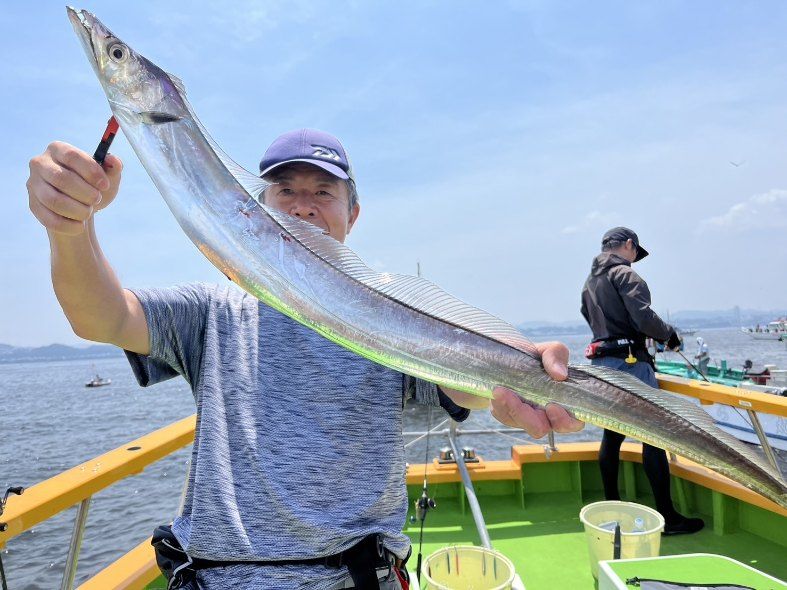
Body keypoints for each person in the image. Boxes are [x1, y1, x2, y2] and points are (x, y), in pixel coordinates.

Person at [27, 129, 583, 589]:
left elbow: (457, 385)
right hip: (223, 578)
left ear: (352, 214)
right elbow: (102, 317)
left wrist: (515, 381)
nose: (302, 205)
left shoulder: (388, 313)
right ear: (257, 208)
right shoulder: (213, 308)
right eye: (285, 190)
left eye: (323, 191)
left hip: (356, 576)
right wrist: (70, 226)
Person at [580, 227, 704, 536]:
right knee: (654, 436)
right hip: (631, 363)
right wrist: (669, 335)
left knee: (612, 435)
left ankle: (611, 509)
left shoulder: (591, 281)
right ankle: (668, 517)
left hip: (602, 363)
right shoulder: (625, 274)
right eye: (635, 252)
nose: (635, 259)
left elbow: (587, 313)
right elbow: (643, 317)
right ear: (628, 245)